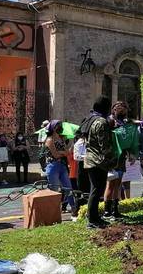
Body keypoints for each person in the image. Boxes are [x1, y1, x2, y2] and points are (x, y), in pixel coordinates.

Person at [80, 97, 115, 229]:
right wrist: (112, 159)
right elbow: (104, 145)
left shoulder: (91, 119)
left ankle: (95, 218)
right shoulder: (101, 122)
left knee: (95, 189)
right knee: (96, 190)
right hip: (98, 161)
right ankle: (92, 219)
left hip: (90, 159)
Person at [44, 120, 75, 213]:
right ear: (53, 128)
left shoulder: (61, 139)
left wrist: (61, 152)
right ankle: (53, 211)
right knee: (54, 189)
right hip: (53, 166)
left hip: (62, 166)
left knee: (68, 188)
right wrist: (62, 153)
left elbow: (67, 152)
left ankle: (73, 208)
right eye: (58, 125)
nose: (60, 127)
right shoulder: (49, 140)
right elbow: (55, 155)